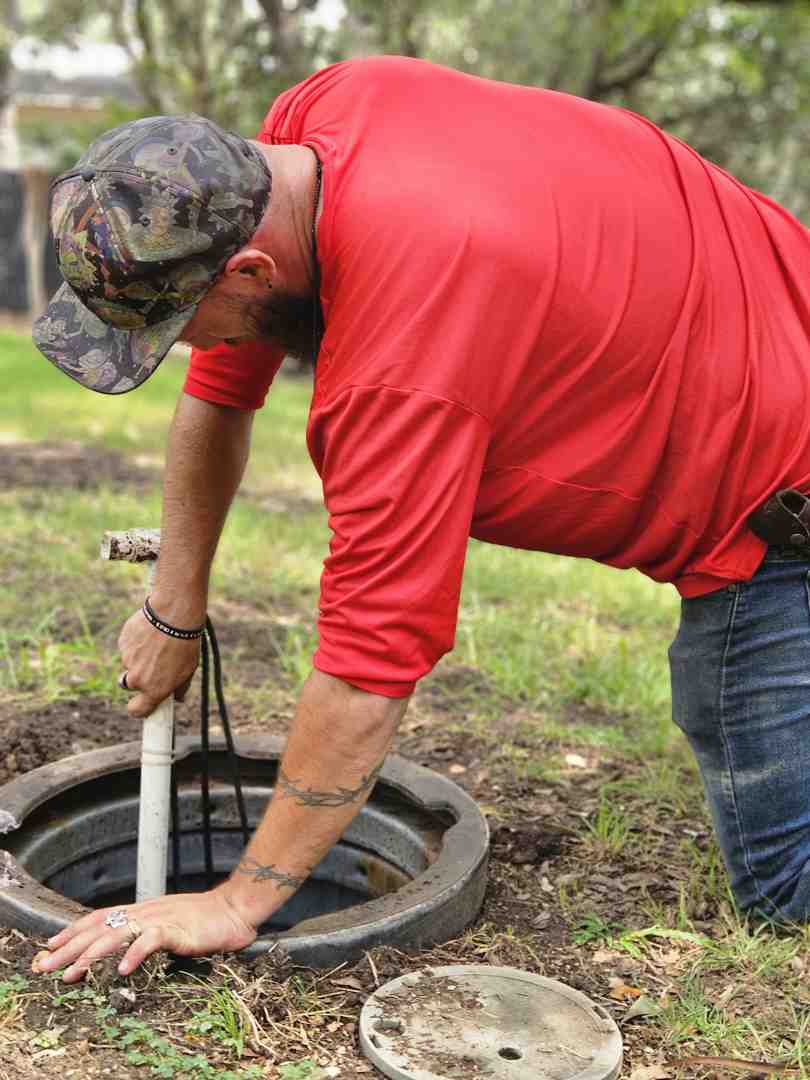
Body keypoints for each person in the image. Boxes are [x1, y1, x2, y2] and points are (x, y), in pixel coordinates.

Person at [32, 55, 810, 983]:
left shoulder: (402, 367)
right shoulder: (312, 127)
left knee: (786, 886)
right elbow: (222, 393)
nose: (182, 349)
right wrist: (173, 604)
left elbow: (369, 664)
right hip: (782, 319)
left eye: (173, 325)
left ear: (248, 270)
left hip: (782, 499)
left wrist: (236, 903)